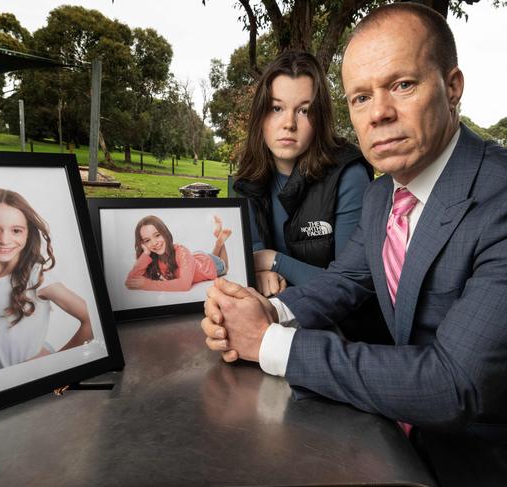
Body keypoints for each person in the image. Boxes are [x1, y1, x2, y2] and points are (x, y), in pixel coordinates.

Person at [201, 3, 507, 485]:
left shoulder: (499, 196)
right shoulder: (384, 192)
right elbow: (346, 280)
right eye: (360, 98)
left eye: (402, 85)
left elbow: (454, 383)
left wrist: (270, 343)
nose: (380, 113)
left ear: (452, 88)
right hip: (396, 436)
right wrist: (265, 310)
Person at [233, 50, 373, 298]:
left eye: (304, 111)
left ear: (320, 118)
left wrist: (272, 261)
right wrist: (261, 270)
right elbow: (248, 249)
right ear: (260, 116)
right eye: (276, 108)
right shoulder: (246, 179)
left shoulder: (349, 175)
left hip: (337, 328)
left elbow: (348, 283)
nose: (289, 123)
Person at [0, 188, 93, 377]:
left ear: (27, 234)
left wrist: (56, 362)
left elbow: (91, 319)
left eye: (16, 230)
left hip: (31, 383)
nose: (4, 239)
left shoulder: (36, 278)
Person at [125, 214, 231, 292]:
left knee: (225, 268)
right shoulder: (151, 258)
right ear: (142, 243)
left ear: (165, 233)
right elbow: (131, 281)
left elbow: (184, 285)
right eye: (147, 240)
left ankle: (219, 241)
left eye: (157, 235)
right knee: (209, 257)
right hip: (194, 259)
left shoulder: (181, 251)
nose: (154, 243)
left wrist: (146, 284)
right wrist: (146, 253)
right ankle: (218, 240)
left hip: (208, 264)